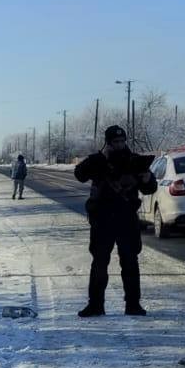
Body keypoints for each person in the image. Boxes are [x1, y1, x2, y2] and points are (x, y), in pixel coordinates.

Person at [72, 125, 157, 317]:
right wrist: (97, 160)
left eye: (122, 141)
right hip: (102, 220)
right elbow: (79, 175)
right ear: (108, 143)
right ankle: (95, 305)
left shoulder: (135, 161)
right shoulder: (98, 160)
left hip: (126, 219)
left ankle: (133, 305)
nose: (119, 145)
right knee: (99, 262)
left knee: (130, 262)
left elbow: (150, 188)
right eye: (115, 142)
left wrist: (146, 178)